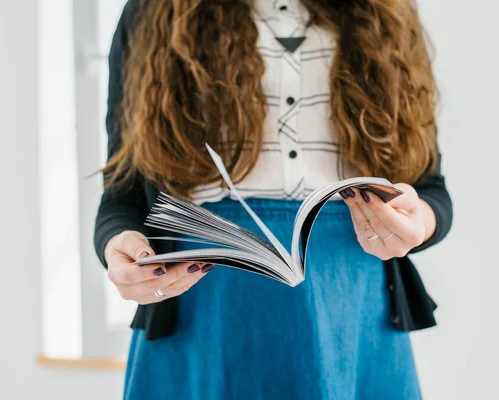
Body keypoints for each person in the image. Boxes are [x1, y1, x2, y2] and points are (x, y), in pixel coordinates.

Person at [94, 0, 453, 398]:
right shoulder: (154, 11)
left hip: (351, 316)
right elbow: (122, 193)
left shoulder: (387, 14)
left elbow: (431, 190)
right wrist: (121, 250)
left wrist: (416, 219)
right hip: (203, 314)